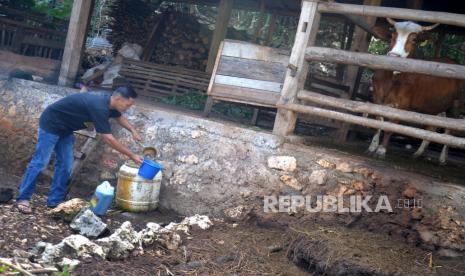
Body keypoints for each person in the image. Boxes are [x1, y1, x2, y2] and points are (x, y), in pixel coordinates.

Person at [15, 86, 143, 213]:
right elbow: (108, 139)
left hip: (66, 129)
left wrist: (133, 130)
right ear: (119, 98)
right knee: (40, 162)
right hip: (51, 124)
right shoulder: (99, 106)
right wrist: (132, 155)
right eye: (128, 104)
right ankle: (23, 198)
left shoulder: (110, 103)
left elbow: (118, 116)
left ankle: (55, 201)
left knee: (66, 164)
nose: (128, 108)